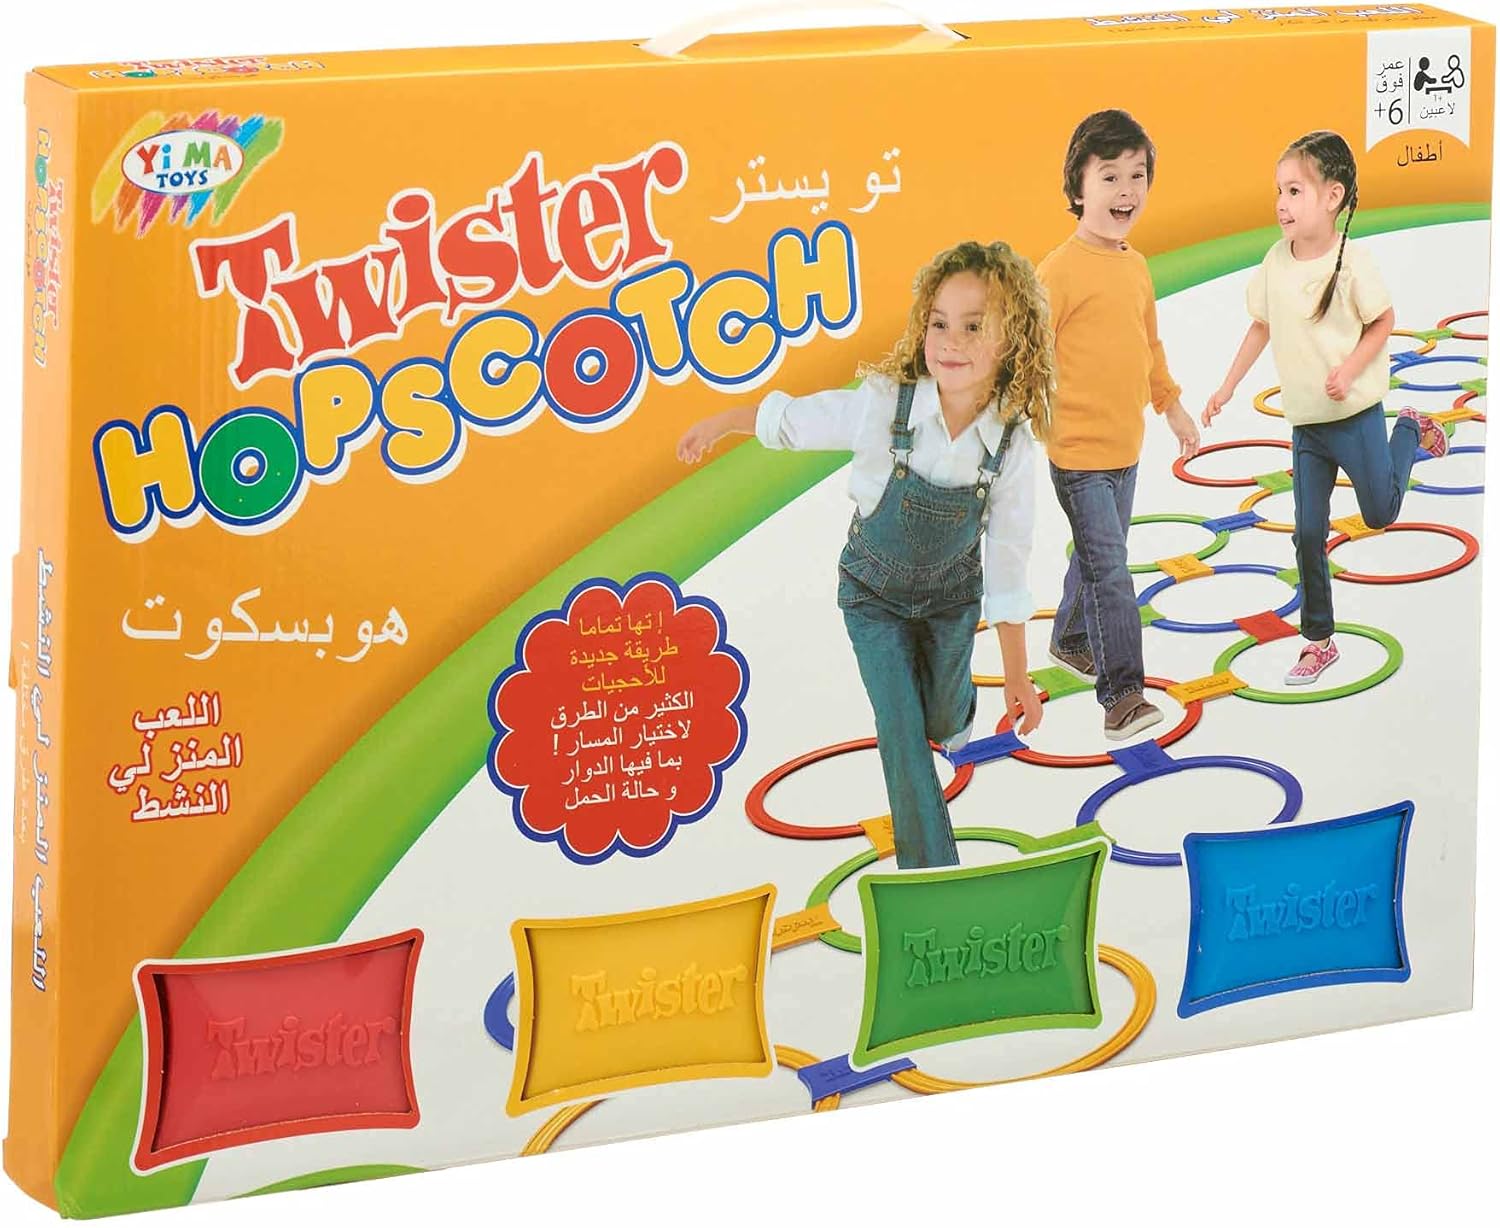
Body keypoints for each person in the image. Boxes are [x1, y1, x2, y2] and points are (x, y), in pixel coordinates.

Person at [677, 240, 1050, 869]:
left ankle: (955, 708)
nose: (950, 342)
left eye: (973, 326)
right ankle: (932, 875)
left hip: (952, 601)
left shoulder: (1010, 446)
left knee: (941, 721)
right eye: (939, 323)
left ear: (1011, 340)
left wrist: (1016, 675)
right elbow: (800, 422)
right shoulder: (885, 404)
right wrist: (724, 423)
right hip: (873, 597)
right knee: (901, 730)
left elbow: (1009, 563)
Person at [1203, 129, 1448, 684]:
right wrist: (1226, 387)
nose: (1281, 204)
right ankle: (1318, 641)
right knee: (1308, 533)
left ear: (1333, 196)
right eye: (1279, 191)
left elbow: (1382, 321)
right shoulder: (1275, 261)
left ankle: (1410, 429)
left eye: (1294, 191)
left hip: (1355, 417)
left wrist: (1350, 369)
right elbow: (1261, 325)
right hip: (1308, 426)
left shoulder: (1353, 262)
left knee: (1380, 513)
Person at [1040, 109, 1200, 740]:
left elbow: (1148, 345)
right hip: (1077, 453)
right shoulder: (1058, 270)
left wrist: (1172, 405)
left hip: (1125, 447)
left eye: (1138, 176)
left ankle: (1070, 637)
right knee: (1111, 568)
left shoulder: (1135, 266)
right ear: (1078, 187)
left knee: (1097, 553)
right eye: (1110, 176)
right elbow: (1028, 352)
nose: (1126, 190)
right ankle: (1122, 694)